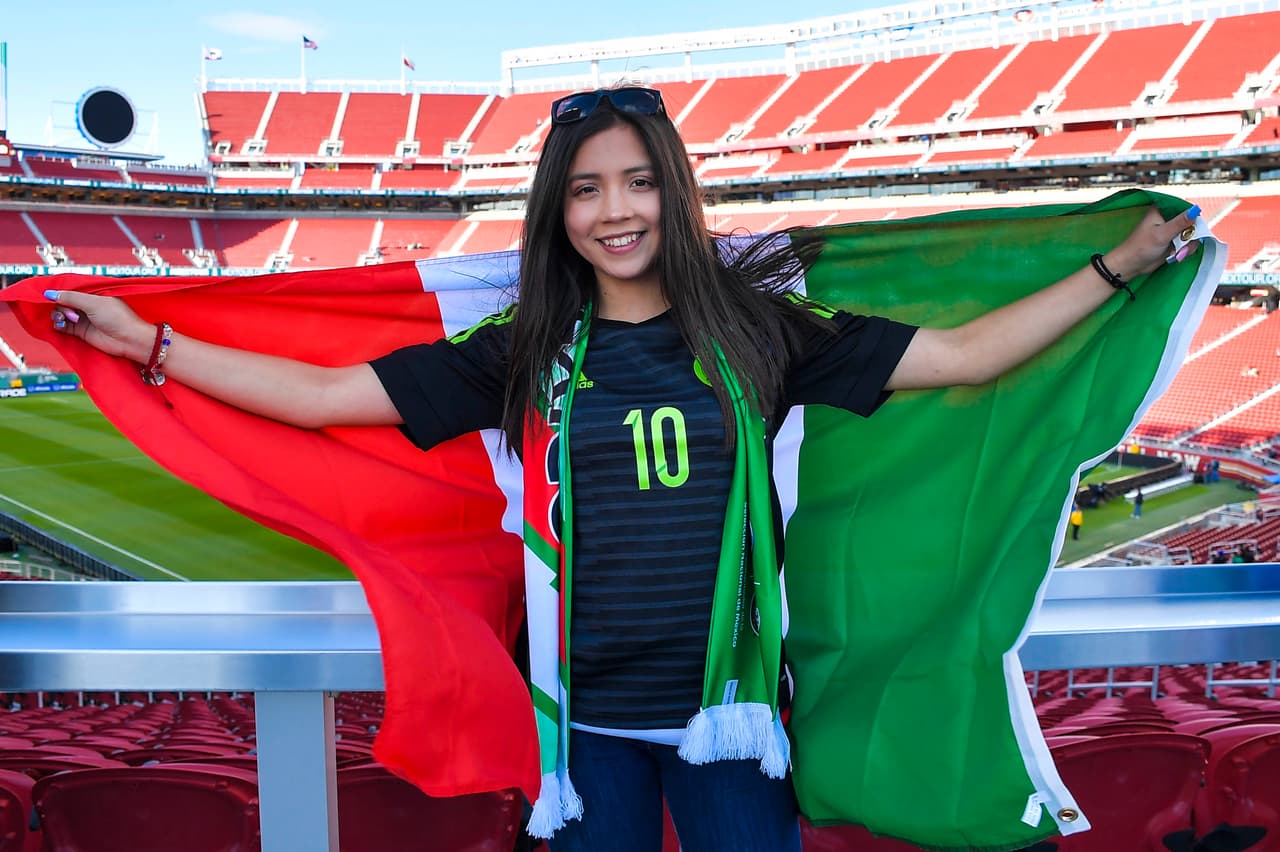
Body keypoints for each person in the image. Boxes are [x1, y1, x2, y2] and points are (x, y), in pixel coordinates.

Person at [42, 85, 1201, 852]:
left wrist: (1114, 266)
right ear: (561, 210)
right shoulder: (526, 349)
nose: (614, 210)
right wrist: (151, 344)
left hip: (732, 720)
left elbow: (961, 354)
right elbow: (325, 396)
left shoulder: (760, 327)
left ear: (672, 193)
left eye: (637, 182)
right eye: (587, 188)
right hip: (581, 723)